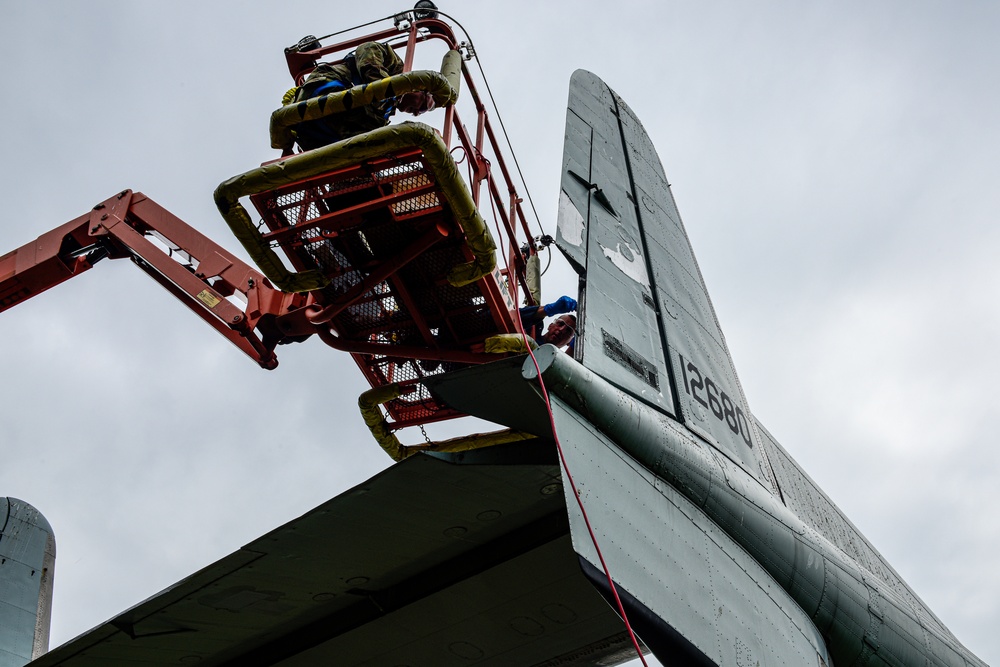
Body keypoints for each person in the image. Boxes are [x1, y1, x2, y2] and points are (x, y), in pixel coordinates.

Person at [289, 41, 436, 151]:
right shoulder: (396, 70)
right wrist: (388, 89)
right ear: (419, 87)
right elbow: (367, 49)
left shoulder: (382, 114)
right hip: (326, 91)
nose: (416, 113)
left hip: (315, 135)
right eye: (422, 107)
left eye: (420, 113)